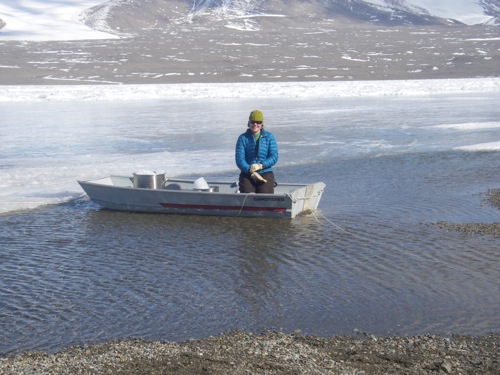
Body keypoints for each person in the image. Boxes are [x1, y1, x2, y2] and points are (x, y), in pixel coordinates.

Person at [235, 110, 278, 193]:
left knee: (265, 195)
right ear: (249, 123)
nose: (255, 124)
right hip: (247, 173)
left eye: (258, 122)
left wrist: (261, 165)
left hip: (265, 171)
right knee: (247, 194)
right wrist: (249, 169)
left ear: (262, 124)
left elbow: (274, 157)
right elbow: (239, 159)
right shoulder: (242, 138)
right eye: (253, 122)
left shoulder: (269, 137)